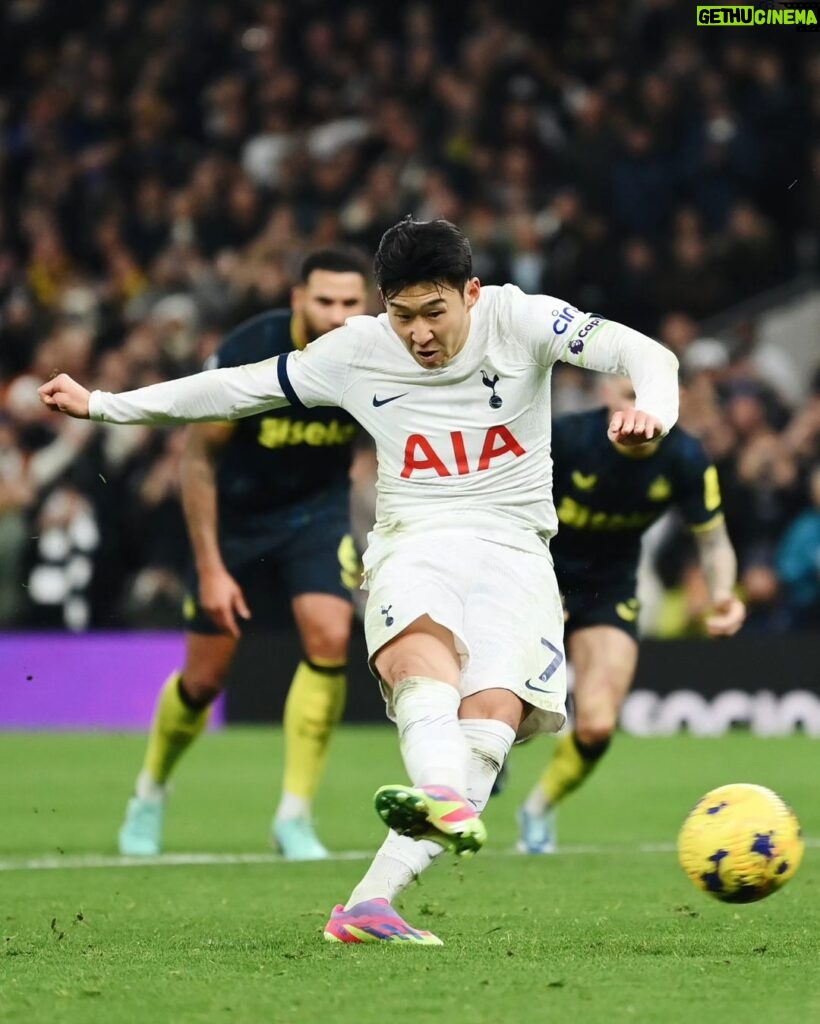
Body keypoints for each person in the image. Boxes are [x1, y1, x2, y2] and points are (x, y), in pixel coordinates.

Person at [40, 217, 680, 945]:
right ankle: (434, 789)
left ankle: (370, 904)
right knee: (421, 655)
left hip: (517, 550)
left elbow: (643, 351)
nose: (419, 334)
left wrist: (654, 411)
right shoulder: (356, 350)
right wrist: (103, 405)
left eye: (435, 312)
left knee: (490, 727)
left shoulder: (522, 319)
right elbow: (234, 389)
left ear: (471, 293)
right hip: (415, 539)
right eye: (402, 315)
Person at [118, 248, 370, 860]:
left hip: (316, 516)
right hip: (234, 521)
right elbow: (198, 458)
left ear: (369, 305)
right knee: (204, 680)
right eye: (325, 301)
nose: (338, 316)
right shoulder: (249, 349)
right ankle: (150, 791)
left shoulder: (377, 353)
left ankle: (294, 816)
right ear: (297, 300)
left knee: (330, 636)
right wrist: (210, 567)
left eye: (351, 303)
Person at [516, 375, 746, 854]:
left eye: (651, 398)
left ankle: (537, 809)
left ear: (674, 402)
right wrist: (535, 583)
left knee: (597, 725)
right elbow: (508, 513)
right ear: (606, 398)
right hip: (533, 573)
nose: (639, 411)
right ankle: (480, 762)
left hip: (608, 586)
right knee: (506, 711)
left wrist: (724, 594)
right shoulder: (567, 439)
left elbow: (712, 538)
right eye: (628, 396)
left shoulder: (686, 458)